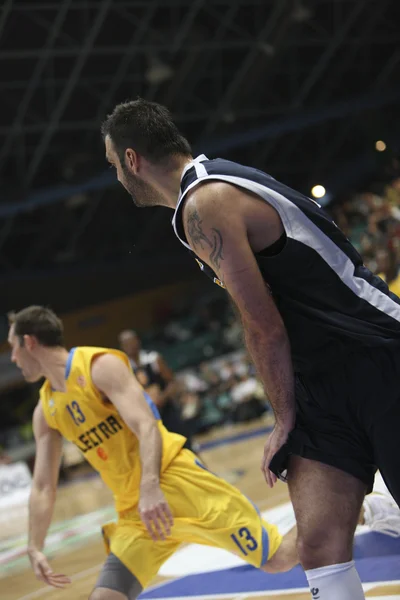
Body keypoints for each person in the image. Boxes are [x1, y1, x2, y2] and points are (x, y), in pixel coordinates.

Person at [102, 98, 400, 600]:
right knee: (321, 545)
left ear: (132, 160)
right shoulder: (202, 197)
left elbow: (264, 326)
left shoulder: (206, 201)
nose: (115, 177)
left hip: (378, 354)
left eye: (113, 165)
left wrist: (282, 419)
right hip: (321, 381)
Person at [8, 306, 298, 600]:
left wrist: (150, 487)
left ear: (29, 342)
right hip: (136, 514)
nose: (12, 358)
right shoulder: (45, 411)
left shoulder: (98, 365)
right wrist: (35, 545)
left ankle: (332, 507)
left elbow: (146, 424)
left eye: (13, 347)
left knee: (280, 558)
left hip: (177, 483)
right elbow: (44, 485)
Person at [117, 329, 195, 450]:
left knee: (185, 445)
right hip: (147, 416)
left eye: (131, 342)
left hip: (167, 410)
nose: (130, 346)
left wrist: (162, 398)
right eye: (126, 344)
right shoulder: (124, 367)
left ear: (138, 341)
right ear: (122, 347)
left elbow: (172, 382)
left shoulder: (153, 358)